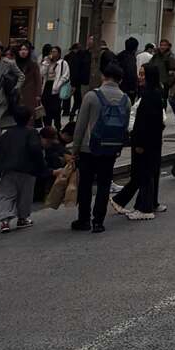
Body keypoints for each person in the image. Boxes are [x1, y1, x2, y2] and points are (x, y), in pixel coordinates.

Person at [70, 59, 130, 234]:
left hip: (89, 147)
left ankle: (83, 219)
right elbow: (124, 127)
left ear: (104, 76)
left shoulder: (91, 96)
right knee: (104, 184)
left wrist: (75, 149)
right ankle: (98, 221)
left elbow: (80, 126)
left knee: (86, 184)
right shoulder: (125, 99)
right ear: (120, 79)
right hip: (110, 147)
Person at [113, 61, 167, 220]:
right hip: (148, 141)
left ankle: (144, 208)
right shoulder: (150, 93)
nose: (140, 77)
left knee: (145, 175)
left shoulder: (151, 95)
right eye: (140, 73)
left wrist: (140, 143)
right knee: (144, 175)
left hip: (145, 142)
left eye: (143, 74)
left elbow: (147, 122)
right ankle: (137, 204)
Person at [0, 103, 46, 234]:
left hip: (8, 169)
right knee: (25, 195)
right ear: (29, 118)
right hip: (27, 169)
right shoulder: (32, 133)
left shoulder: (7, 133)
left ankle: (4, 221)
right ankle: (22, 218)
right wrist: (41, 166)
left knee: (6, 195)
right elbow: (35, 150)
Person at [39, 44, 69, 128]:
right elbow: (42, 73)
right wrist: (46, 63)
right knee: (45, 107)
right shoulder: (47, 62)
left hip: (57, 87)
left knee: (55, 108)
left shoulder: (63, 63)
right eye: (51, 51)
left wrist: (58, 85)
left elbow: (65, 76)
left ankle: (57, 125)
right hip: (47, 86)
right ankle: (47, 126)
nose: (53, 53)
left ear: (59, 53)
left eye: (55, 51)